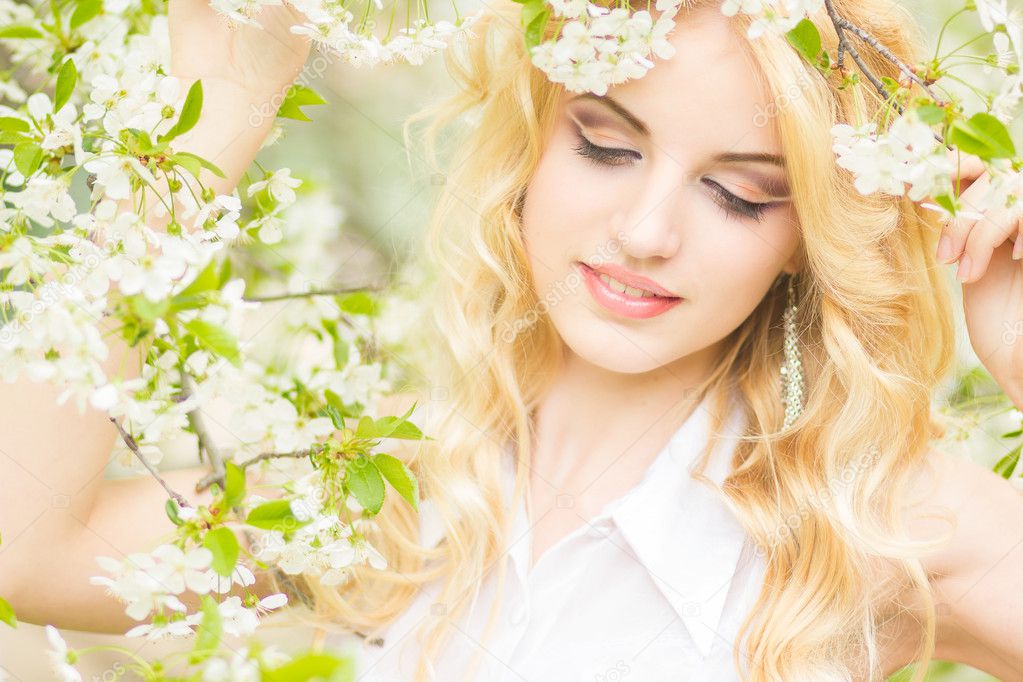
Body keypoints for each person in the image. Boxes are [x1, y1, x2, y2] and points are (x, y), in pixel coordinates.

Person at [3, 0, 1023, 680]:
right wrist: (219, 104)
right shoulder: (389, 489)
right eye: (606, 144)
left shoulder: (875, 522)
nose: (646, 232)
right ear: (531, 139)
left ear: (808, 237)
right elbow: (29, 549)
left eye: (740, 194)